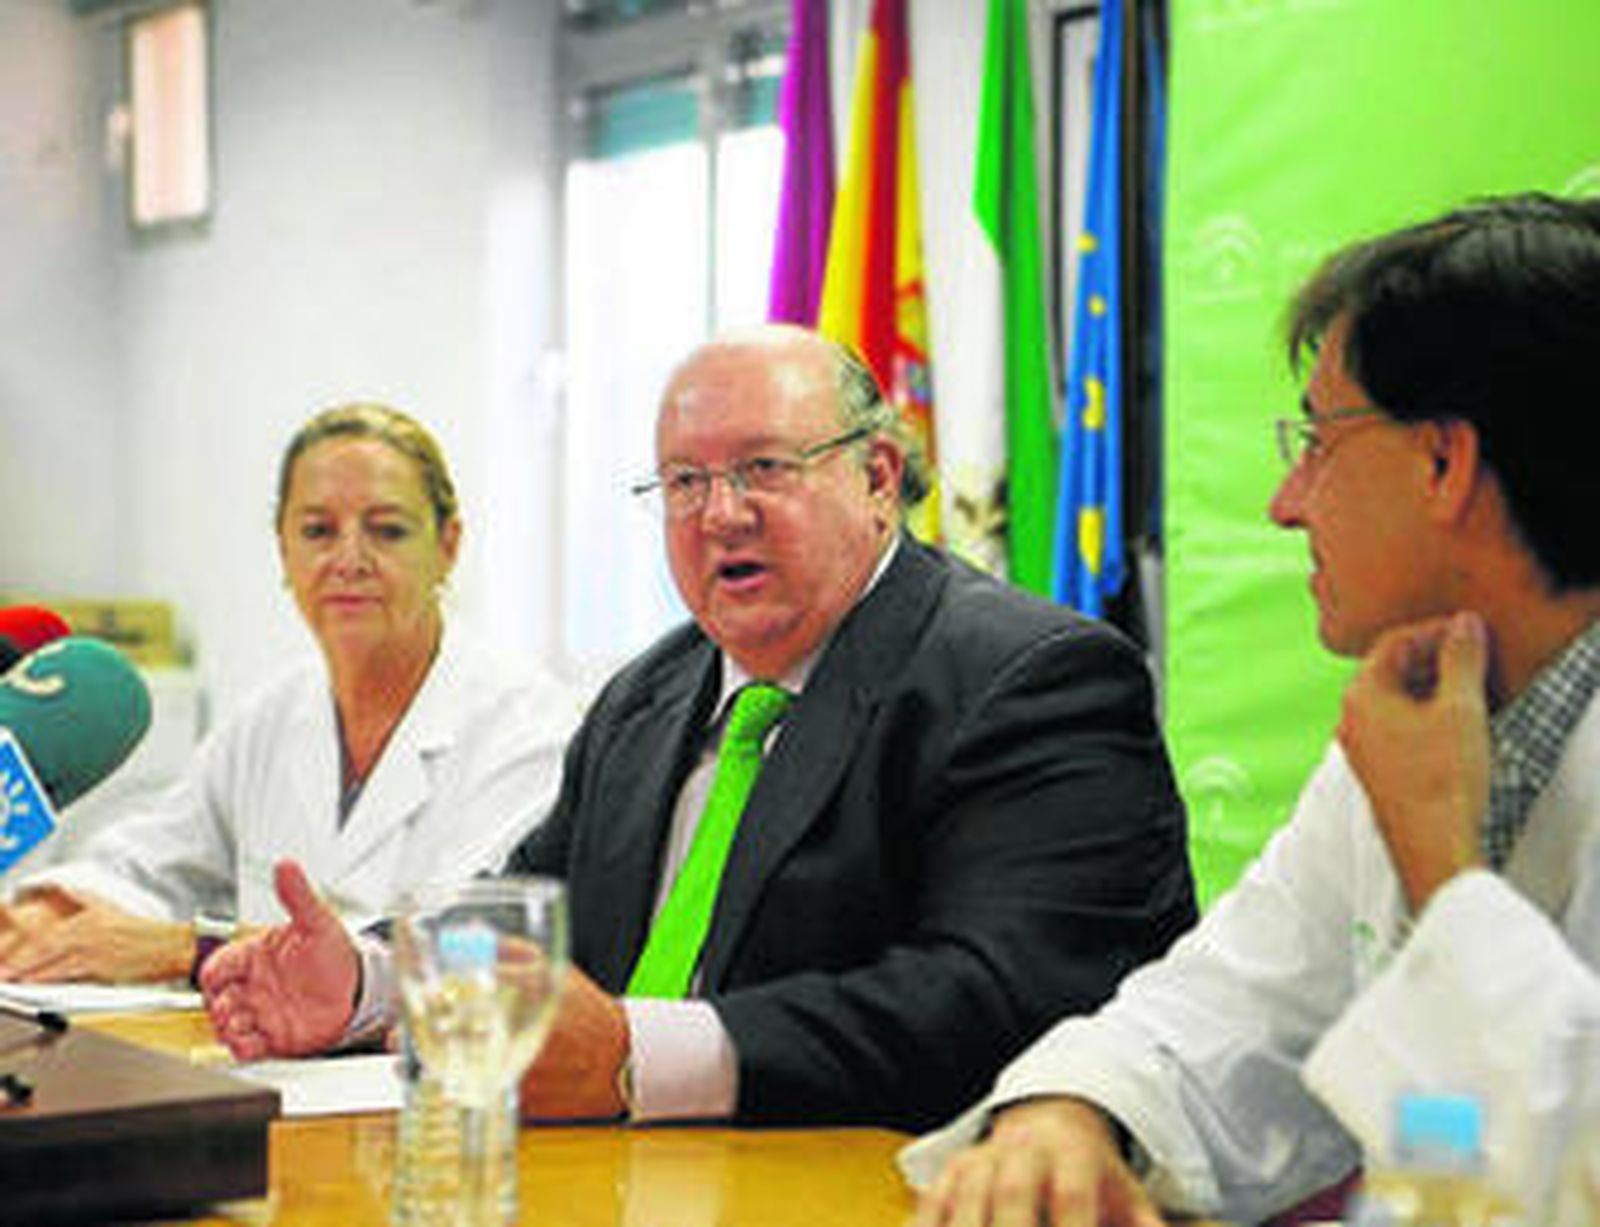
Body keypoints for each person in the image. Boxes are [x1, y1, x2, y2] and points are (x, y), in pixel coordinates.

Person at [201, 324, 1197, 1132]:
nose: (719, 514)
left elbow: (1008, 1001)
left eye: (763, 467)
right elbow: (533, 909)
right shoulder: (647, 695)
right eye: (682, 482)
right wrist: (370, 984)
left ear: (879, 478)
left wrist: (643, 1059)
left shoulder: (1030, 678)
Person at [902, 192, 1600, 1225]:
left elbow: (1565, 1179)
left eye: (1317, 440)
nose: (1287, 500)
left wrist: (1440, 875)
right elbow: (1223, 1010)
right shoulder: (1426, 707)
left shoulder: (1418, 760)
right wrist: (1069, 1113)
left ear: (1443, 462)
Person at [0, 404, 580, 986]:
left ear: (448, 546)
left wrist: (190, 950)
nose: (349, 560)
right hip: (261, 1068)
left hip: (431, 1070)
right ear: (283, 549)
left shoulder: (527, 728)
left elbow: (470, 950)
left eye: (387, 530)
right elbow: (148, 863)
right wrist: (47, 916)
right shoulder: (271, 716)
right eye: (318, 531)